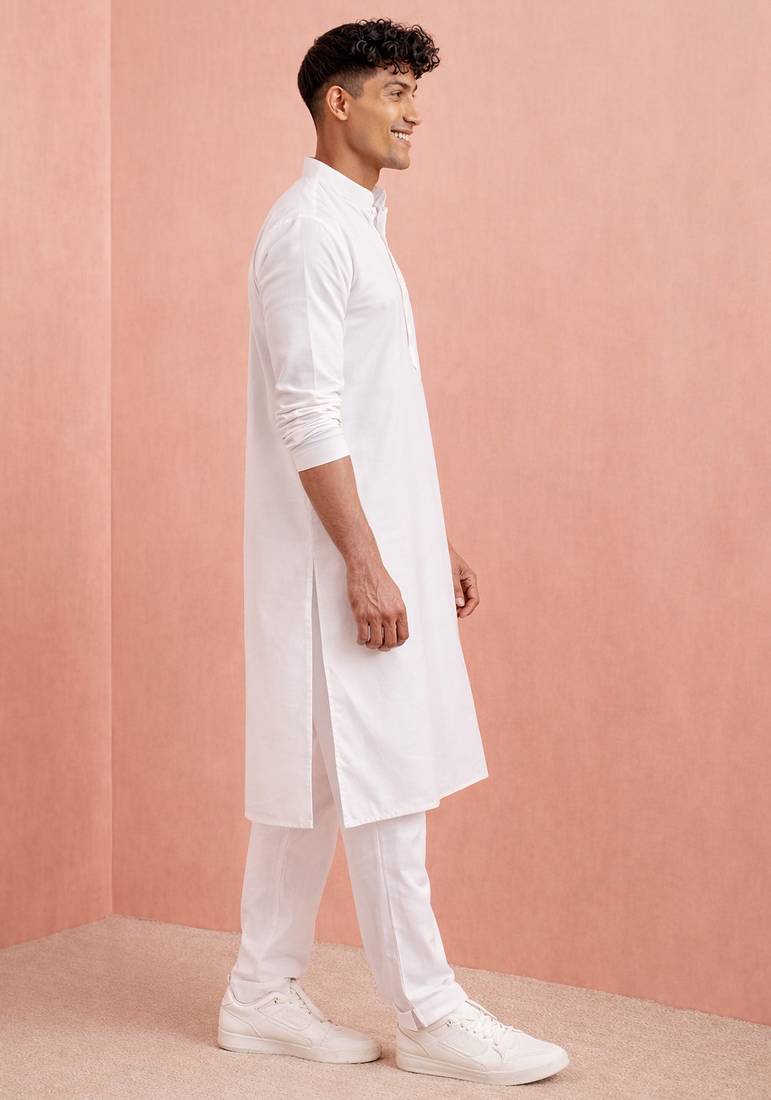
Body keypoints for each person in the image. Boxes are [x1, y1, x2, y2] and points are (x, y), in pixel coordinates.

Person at [218, 18, 570, 1087]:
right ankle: (427, 1011)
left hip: (364, 544)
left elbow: (372, 414)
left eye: (415, 93)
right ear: (339, 102)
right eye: (396, 91)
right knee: (384, 777)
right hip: (334, 562)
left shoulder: (358, 227)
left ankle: (258, 990)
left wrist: (425, 533)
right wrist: (369, 562)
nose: (414, 113)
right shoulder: (308, 234)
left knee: (319, 780)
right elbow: (307, 413)